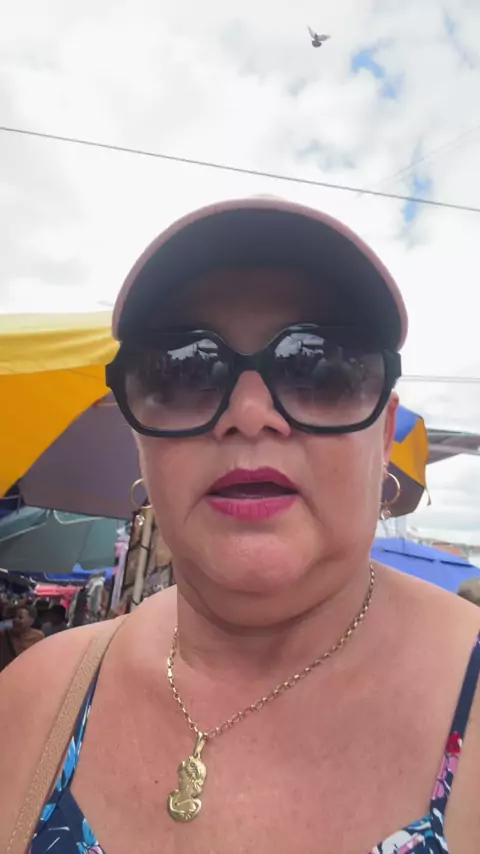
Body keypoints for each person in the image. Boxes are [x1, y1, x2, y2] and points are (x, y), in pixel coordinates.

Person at [1, 196, 479, 854]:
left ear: (382, 430)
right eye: (183, 370)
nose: (250, 414)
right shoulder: (32, 700)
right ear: (141, 438)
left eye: (321, 367)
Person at [0, 604, 44, 672]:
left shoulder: (38, 636)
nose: (15, 620)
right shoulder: (5, 634)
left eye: (20, 617)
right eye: (14, 617)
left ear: (31, 621)